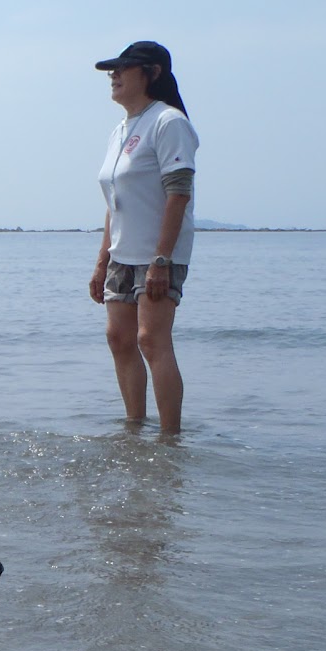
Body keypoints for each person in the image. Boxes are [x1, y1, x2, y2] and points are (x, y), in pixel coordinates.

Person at [89, 41, 199, 434]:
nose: (114, 76)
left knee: (152, 341)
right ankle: (134, 430)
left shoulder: (169, 122)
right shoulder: (120, 130)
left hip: (158, 255)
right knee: (118, 338)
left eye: (123, 68)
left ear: (152, 73)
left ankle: (170, 439)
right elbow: (114, 201)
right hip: (122, 253)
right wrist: (102, 262)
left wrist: (161, 259)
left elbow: (179, 193)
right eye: (112, 70)